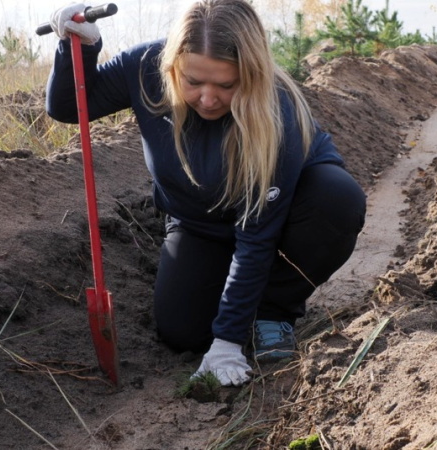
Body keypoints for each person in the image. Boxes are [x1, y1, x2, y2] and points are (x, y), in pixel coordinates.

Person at [46, 0, 366, 386]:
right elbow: (68, 107)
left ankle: (274, 309)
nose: (208, 98)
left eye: (226, 85)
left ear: (251, 77)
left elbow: (257, 237)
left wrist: (229, 341)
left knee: (338, 200)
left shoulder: (277, 114)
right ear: (173, 66)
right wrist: (78, 47)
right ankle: (234, 298)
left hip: (286, 215)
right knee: (184, 334)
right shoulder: (145, 65)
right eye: (193, 82)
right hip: (199, 223)